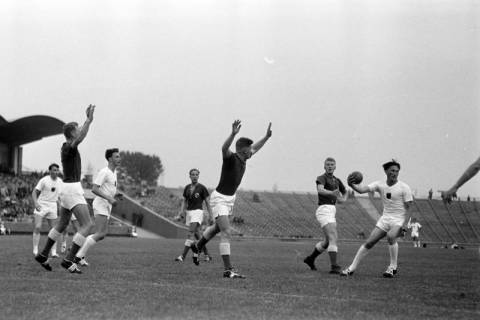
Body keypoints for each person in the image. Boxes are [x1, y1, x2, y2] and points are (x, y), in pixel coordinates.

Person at [191, 120, 272, 278]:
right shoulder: (231, 158)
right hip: (220, 199)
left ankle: (197, 246)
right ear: (243, 150)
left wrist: (266, 137)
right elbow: (223, 148)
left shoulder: (244, 158)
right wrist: (233, 134)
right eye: (249, 149)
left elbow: (256, 147)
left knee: (217, 228)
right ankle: (228, 270)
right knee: (226, 231)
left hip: (230, 199)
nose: (252, 151)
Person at [34, 105, 95, 273]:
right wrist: (89, 120)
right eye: (77, 129)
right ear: (72, 134)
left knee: (62, 224)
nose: (80, 130)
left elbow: (80, 132)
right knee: (88, 224)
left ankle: (43, 254)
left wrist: (85, 121)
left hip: (66, 188)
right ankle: (69, 259)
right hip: (73, 189)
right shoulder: (69, 146)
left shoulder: (66, 146)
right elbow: (81, 136)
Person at [340, 160, 413, 278]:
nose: (394, 173)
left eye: (397, 171)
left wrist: (405, 224)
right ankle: (351, 268)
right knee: (369, 242)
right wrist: (351, 185)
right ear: (386, 171)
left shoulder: (404, 187)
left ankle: (392, 267)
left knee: (391, 236)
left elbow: (410, 208)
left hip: (398, 220)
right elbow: (362, 190)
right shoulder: (380, 184)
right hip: (385, 219)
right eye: (392, 171)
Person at [73, 148, 122, 266]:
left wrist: (115, 195)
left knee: (101, 234)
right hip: (101, 204)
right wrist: (109, 198)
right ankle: (77, 256)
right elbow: (94, 188)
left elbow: (108, 188)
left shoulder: (114, 172)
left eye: (119, 156)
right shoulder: (104, 172)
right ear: (110, 159)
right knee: (100, 233)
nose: (119, 158)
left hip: (106, 204)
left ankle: (79, 254)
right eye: (116, 156)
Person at [303, 157, 347, 274]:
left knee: (328, 241)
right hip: (324, 209)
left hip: (331, 210)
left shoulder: (337, 180)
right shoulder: (321, 178)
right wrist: (332, 193)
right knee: (334, 237)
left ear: (335, 166)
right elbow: (320, 190)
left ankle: (310, 259)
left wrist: (343, 199)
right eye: (327, 164)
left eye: (332, 164)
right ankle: (334, 267)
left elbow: (345, 192)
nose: (330, 166)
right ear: (324, 166)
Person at [175, 168, 213, 263]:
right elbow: (184, 201)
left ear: (198, 176)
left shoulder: (202, 188)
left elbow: (207, 202)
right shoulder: (187, 187)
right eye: (193, 174)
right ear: (190, 176)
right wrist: (181, 212)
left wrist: (211, 215)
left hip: (198, 212)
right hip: (189, 213)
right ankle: (207, 254)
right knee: (197, 235)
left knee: (190, 233)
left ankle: (182, 256)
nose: (195, 176)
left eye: (196, 174)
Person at [32, 163, 63, 257]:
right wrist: (36, 203)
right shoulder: (44, 180)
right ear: (50, 171)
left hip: (53, 205)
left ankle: (53, 252)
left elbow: (61, 196)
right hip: (42, 204)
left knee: (54, 230)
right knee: (38, 226)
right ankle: (35, 249)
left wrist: (61, 206)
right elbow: (34, 192)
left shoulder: (60, 182)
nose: (56, 172)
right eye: (54, 170)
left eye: (57, 170)